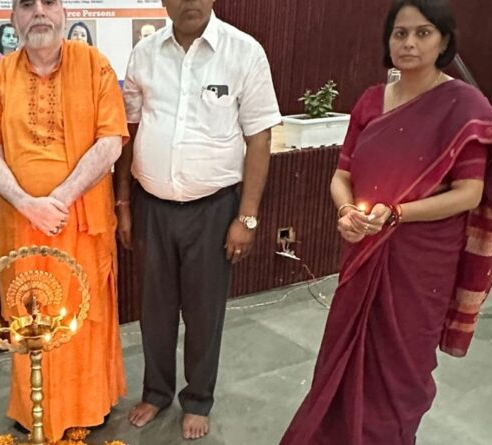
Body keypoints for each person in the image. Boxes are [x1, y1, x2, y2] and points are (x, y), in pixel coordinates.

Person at [280, 1, 492, 444]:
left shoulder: (463, 105)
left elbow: (469, 194)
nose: (409, 43)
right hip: (363, 249)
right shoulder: (371, 101)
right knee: (341, 358)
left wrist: (399, 213)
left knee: (401, 371)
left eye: (423, 33)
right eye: (400, 33)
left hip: (421, 263)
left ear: (444, 42)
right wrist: (346, 211)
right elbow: (342, 176)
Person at [117, 0, 281, 440]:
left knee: (205, 312)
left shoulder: (244, 51)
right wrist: (124, 203)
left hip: (214, 209)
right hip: (151, 206)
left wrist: (247, 217)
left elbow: (260, 138)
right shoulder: (144, 54)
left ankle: (198, 399)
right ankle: (156, 392)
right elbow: (129, 133)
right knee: (154, 311)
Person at [0, 0, 127, 441]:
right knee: (28, 312)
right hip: (22, 224)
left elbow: (111, 141)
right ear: (13, 18)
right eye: (27, 4)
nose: (39, 12)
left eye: (49, 2)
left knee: (86, 315)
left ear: (63, 12)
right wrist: (27, 203)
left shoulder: (95, 65)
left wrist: (58, 199)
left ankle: (87, 407)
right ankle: (35, 410)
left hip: (81, 223)